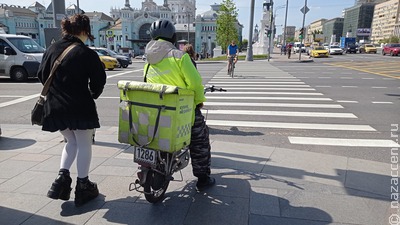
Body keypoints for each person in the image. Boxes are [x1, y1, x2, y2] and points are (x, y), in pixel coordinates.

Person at [37, 14, 107, 207]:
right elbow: (99, 81)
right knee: (84, 143)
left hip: (54, 107)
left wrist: (58, 91)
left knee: (70, 141)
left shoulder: (52, 49)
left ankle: (61, 179)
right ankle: (83, 185)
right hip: (79, 107)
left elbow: (41, 74)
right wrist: (92, 93)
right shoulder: (86, 53)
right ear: (84, 31)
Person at [144, 19, 215, 191]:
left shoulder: (148, 60)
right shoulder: (179, 56)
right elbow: (195, 83)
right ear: (173, 37)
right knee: (200, 140)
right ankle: (202, 178)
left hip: (155, 113)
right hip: (182, 111)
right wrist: (199, 101)